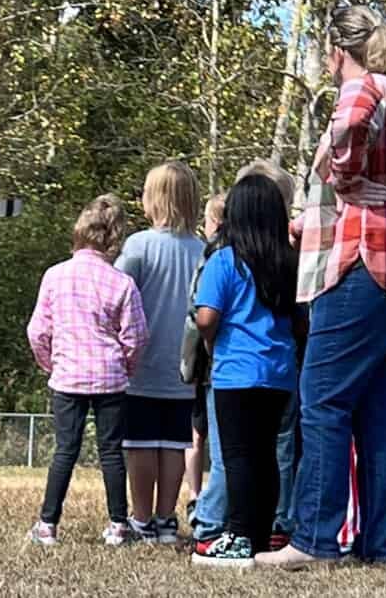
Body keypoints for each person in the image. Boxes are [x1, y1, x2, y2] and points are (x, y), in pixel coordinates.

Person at [257, 5, 386, 570]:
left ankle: (315, 540)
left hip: (368, 264)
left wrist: (344, 183)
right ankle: (381, 545)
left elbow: (349, 127)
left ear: (337, 51)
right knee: (381, 411)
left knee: (323, 398)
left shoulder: (362, 87)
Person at [190, 175, 302, 568]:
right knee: (268, 455)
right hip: (279, 372)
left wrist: (210, 342)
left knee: (238, 456)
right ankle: (259, 533)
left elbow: (206, 317)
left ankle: (237, 535)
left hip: (236, 373)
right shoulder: (289, 263)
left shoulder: (224, 260)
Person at [27, 194, 147, 546]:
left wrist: (50, 363)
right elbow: (137, 336)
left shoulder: (55, 276)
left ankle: (48, 525)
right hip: (110, 377)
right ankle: (118, 525)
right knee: (111, 452)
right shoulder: (121, 283)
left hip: (67, 376)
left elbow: (38, 331)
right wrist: (126, 365)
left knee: (65, 449)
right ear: (114, 240)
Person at [115, 161, 206, 543]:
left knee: (139, 444)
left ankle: (141, 518)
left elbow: (115, 291)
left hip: (140, 366)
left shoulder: (138, 245)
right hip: (186, 366)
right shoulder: (203, 248)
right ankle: (167, 518)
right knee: (175, 443)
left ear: (153, 200)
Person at [184, 191, 225, 517]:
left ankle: (199, 498)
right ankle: (199, 496)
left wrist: (190, 361)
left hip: (211, 364)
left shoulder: (213, 255)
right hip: (216, 363)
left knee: (199, 436)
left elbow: (200, 318)